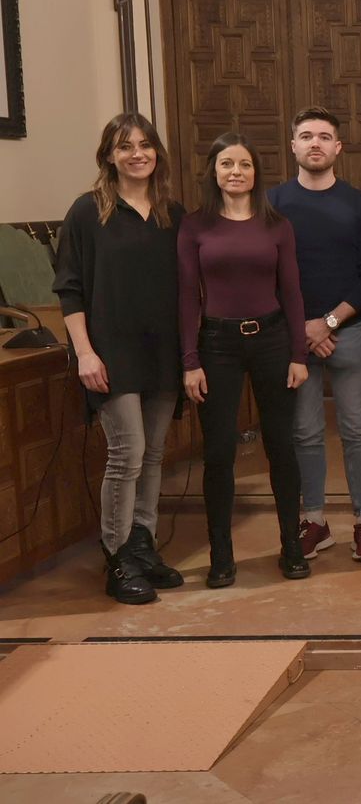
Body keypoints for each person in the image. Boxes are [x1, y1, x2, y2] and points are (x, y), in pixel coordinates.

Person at [53, 113, 186, 604]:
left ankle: (143, 543)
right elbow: (68, 288)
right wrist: (84, 352)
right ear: (109, 155)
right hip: (109, 354)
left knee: (152, 455)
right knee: (126, 453)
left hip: (162, 353)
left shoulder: (173, 213)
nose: (137, 154)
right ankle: (118, 556)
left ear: (157, 153)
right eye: (126, 146)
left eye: (146, 144)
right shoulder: (88, 212)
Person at [178, 133, 310, 587]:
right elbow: (186, 297)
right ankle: (221, 556)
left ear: (256, 172)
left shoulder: (277, 225)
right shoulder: (195, 226)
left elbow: (291, 291)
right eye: (227, 163)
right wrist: (190, 360)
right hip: (216, 345)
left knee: (281, 447)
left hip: (272, 339)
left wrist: (299, 353)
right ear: (213, 171)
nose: (236, 171)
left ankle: (292, 547)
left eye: (245, 164)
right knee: (218, 453)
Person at [269, 106, 361, 562]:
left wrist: (329, 323)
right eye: (306, 135)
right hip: (294, 338)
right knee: (306, 433)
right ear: (293, 145)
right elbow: (268, 274)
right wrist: (303, 329)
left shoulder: (359, 204)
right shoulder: (273, 203)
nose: (314, 143)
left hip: (348, 333)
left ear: (338, 147)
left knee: (356, 431)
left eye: (323, 136)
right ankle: (314, 520)